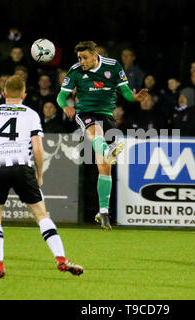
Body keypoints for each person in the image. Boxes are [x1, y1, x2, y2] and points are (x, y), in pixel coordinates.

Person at [0, 75, 83, 278]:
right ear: (24, 94)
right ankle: (61, 259)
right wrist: (39, 174)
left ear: (4, 93)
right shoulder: (31, 114)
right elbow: (38, 148)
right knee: (41, 215)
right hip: (22, 167)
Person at [57, 41, 148, 230]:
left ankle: (103, 211)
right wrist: (66, 106)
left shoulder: (113, 66)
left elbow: (125, 92)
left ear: (95, 55)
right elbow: (60, 96)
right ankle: (108, 151)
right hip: (85, 113)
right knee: (95, 133)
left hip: (107, 114)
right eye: (79, 58)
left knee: (104, 166)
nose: (81, 61)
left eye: (85, 58)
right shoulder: (75, 71)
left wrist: (135, 98)